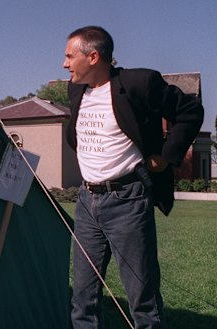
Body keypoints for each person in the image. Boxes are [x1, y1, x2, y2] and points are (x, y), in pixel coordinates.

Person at [63, 26, 203, 328]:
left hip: (127, 201)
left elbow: (190, 111)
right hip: (86, 202)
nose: (65, 64)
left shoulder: (139, 83)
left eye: (69, 56)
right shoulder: (76, 90)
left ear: (94, 56)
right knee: (83, 300)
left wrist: (166, 155)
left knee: (143, 300)